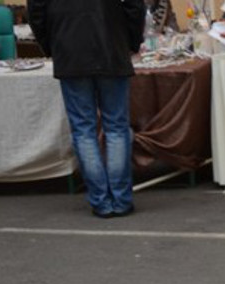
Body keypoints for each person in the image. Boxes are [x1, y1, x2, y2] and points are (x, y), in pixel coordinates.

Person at [28, 0, 146, 218]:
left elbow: (36, 12)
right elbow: (135, 7)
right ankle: (120, 199)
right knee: (116, 128)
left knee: (83, 131)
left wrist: (52, 45)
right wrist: (130, 41)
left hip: (69, 49)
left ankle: (101, 200)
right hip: (112, 46)